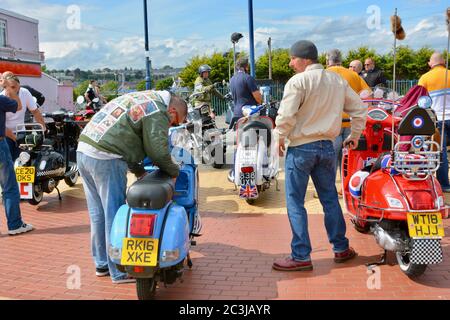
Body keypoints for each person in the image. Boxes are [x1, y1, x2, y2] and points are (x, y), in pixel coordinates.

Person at [272, 40, 367, 271]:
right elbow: (360, 109)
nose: (290, 62)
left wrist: (278, 139)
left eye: (292, 58)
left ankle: (301, 255)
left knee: (295, 202)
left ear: (304, 59)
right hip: (327, 146)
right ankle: (341, 248)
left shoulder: (298, 81)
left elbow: (286, 116)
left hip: (302, 147)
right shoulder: (337, 80)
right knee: (330, 199)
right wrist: (354, 135)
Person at [77, 90, 187, 284]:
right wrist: (174, 171)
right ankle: (118, 270)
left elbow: (128, 137)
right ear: (173, 110)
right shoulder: (158, 110)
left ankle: (102, 263)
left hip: (84, 151)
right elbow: (157, 150)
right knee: (113, 212)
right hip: (106, 158)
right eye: (175, 122)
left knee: (98, 214)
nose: (171, 125)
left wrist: (139, 172)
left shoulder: (142, 97)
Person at [326, 49, 370, 186]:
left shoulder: (324, 75)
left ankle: (328, 188)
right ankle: (345, 187)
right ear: (341, 61)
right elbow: (368, 94)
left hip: (331, 123)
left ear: (328, 61)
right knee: (347, 159)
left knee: (330, 158)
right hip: (350, 123)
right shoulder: (353, 75)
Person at [0, 80, 34, 236]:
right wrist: (10, 89)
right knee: (10, 187)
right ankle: (15, 225)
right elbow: (19, 106)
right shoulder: (2, 99)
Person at [418, 52, 450, 191]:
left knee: (440, 152)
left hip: (438, 120)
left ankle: (444, 185)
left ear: (430, 64)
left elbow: (420, 102)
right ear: (443, 61)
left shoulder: (424, 78)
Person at [0, 72, 46, 161]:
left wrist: (43, 128)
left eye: (17, 87)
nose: (15, 90)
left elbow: (35, 112)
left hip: (20, 132)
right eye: (12, 87)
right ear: (6, 87)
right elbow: (2, 126)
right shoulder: (2, 98)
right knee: (9, 161)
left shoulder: (24, 92)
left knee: (22, 161)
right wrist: (15, 139)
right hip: (6, 135)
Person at [229, 57, 262, 128]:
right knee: (254, 137)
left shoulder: (232, 79)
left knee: (240, 137)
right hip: (248, 114)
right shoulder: (248, 78)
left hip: (236, 113)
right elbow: (258, 97)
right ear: (246, 67)